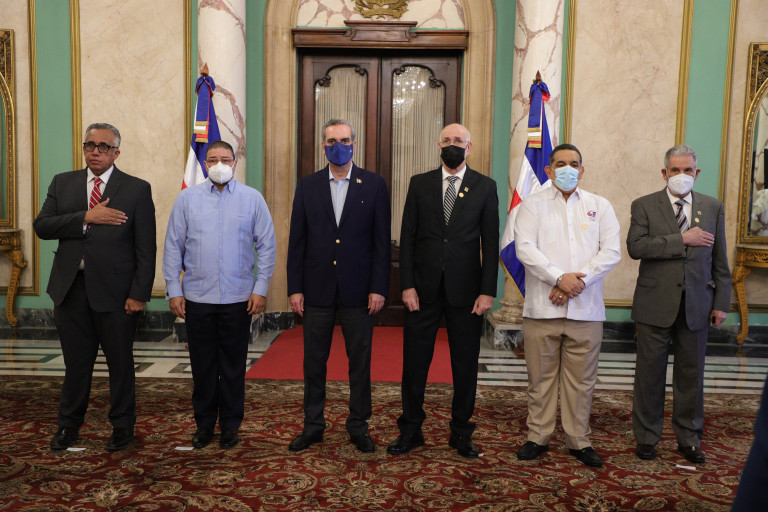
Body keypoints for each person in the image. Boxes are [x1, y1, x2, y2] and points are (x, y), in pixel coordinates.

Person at [33, 123, 156, 452]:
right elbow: (42, 226)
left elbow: (146, 247)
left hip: (117, 294)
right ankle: (68, 426)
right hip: (70, 290)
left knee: (120, 364)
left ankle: (122, 426)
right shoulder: (63, 183)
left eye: (103, 147)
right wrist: (86, 217)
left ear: (116, 152)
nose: (96, 152)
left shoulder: (136, 189)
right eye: (90, 145)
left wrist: (139, 294)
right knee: (76, 365)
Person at [386, 123, 498, 459]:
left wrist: (487, 291)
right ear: (439, 145)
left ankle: (461, 432)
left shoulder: (485, 186)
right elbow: (407, 238)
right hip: (422, 290)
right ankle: (410, 429)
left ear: (469, 146)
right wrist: (406, 285)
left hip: (467, 293)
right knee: (415, 363)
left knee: (465, 365)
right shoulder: (419, 183)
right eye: (447, 140)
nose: (452, 145)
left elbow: (491, 243)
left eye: (458, 140)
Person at [513, 143, 621, 468]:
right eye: (560, 163)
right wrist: (560, 278)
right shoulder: (531, 205)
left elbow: (611, 252)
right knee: (540, 380)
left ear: (582, 170)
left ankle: (579, 440)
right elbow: (525, 249)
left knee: (582, 382)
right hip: (542, 309)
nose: (568, 169)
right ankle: (538, 437)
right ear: (548, 170)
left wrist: (577, 283)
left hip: (586, 310)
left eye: (574, 163)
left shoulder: (600, 206)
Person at [163, 140, 276, 450]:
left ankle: (230, 425)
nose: (220, 164)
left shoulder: (252, 199)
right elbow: (173, 246)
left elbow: (267, 246)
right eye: (213, 159)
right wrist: (174, 290)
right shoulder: (187, 199)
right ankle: (203, 425)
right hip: (197, 298)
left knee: (233, 366)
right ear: (204, 164)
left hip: (238, 299)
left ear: (235, 163)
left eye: (226, 159)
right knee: (202, 366)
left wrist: (260, 288)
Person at [287, 119, 391, 453]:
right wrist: (294, 288)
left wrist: (379, 287)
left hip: (359, 291)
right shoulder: (307, 185)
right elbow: (297, 241)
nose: (338, 146)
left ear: (354, 144)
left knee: (359, 363)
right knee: (313, 363)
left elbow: (381, 243)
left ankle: (358, 426)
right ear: (323, 147)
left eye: (344, 140)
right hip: (315, 289)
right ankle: (313, 426)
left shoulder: (374, 185)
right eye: (332, 141)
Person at [628, 144, 731, 464]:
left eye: (688, 170)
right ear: (665, 173)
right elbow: (636, 247)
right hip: (654, 304)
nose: (681, 175)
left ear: (697, 173)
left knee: (691, 377)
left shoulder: (713, 207)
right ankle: (647, 438)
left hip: (698, 305)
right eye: (675, 170)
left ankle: (689, 439)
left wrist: (722, 303)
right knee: (649, 376)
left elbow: (720, 259)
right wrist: (681, 239)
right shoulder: (644, 205)